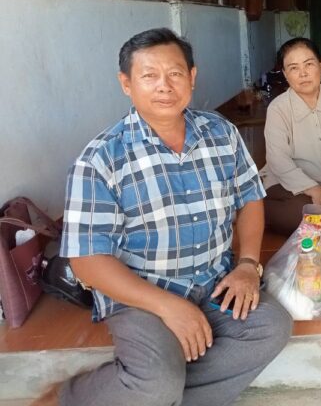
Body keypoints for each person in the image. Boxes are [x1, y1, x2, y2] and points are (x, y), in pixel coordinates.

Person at [34, 28, 292, 406]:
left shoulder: (221, 133)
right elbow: (87, 261)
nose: (164, 86)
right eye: (149, 75)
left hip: (214, 279)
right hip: (140, 293)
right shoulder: (101, 159)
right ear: (126, 84)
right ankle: (69, 397)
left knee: (270, 326)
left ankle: (161, 396)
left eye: (174, 73)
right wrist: (168, 306)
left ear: (192, 77)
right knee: (156, 379)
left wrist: (247, 264)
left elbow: (250, 198)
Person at [261, 38, 321, 234]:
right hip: (287, 185)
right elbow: (277, 159)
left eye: (309, 64)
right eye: (294, 68)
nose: (303, 73)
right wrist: (314, 190)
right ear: (285, 74)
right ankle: (257, 210)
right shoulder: (278, 108)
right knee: (302, 214)